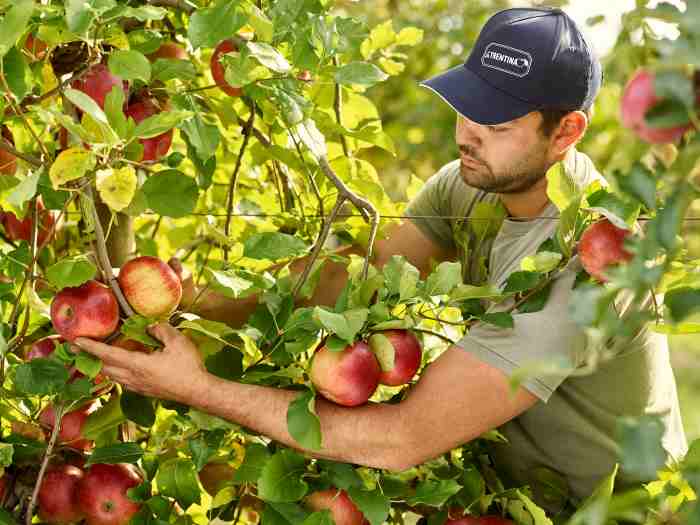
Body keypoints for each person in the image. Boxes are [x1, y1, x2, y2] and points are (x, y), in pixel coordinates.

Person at [75, 6, 687, 516]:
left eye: (495, 122)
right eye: (465, 105)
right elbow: (347, 283)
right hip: (506, 496)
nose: (466, 133)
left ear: (567, 132)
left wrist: (199, 389)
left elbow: (401, 439)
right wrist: (200, 299)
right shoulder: (472, 182)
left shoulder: (585, 270)